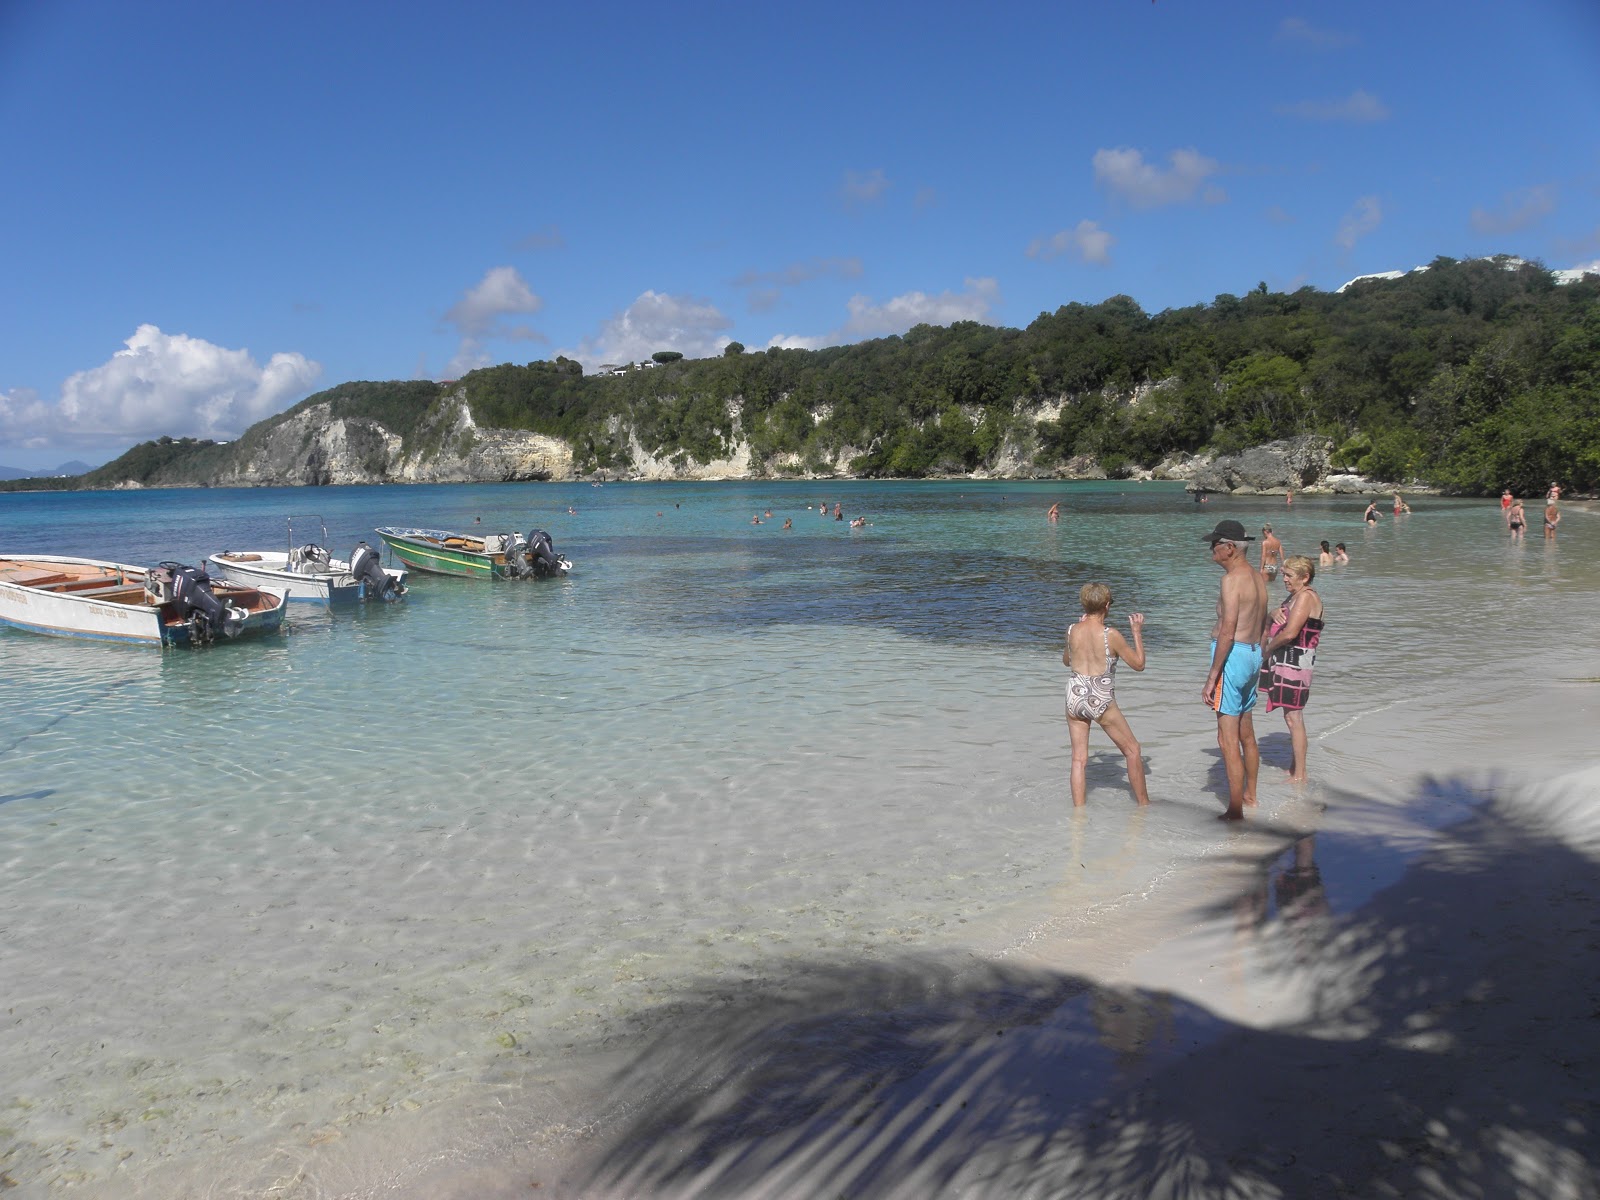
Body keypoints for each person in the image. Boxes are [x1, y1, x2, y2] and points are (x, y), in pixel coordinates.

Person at [1201, 520, 1268, 821]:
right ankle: (1251, 795)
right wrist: (1258, 660)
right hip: (1253, 654)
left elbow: (1227, 631)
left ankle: (1235, 810)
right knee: (1247, 734)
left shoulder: (1231, 581)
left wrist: (1212, 677)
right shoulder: (1258, 577)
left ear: (1230, 547)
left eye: (1214, 545)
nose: (1210, 550)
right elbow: (1263, 625)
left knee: (1226, 740)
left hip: (1233, 656)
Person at [1063, 582, 1148, 807]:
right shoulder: (1111, 635)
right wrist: (1137, 633)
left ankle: (1078, 815)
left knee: (1079, 759)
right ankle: (1144, 806)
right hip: (1099, 696)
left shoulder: (1072, 629)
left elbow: (1066, 661)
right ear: (1107, 606)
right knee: (1133, 750)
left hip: (1074, 693)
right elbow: (1139, 665)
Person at [1258, 554, 1325, 782]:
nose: (1284, 579)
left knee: (1293, 717)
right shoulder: (1293, 597)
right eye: (1284, 574)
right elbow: (1275, 621)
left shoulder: (1306, 597)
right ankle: (1294, 767)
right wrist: (1271, 614)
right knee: (1291, 716)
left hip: (1296, 663)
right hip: (1287, 660)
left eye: (1289, 575)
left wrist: (1266, 651)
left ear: (1304, 577)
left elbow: (1290, 632)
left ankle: (1301, 774)